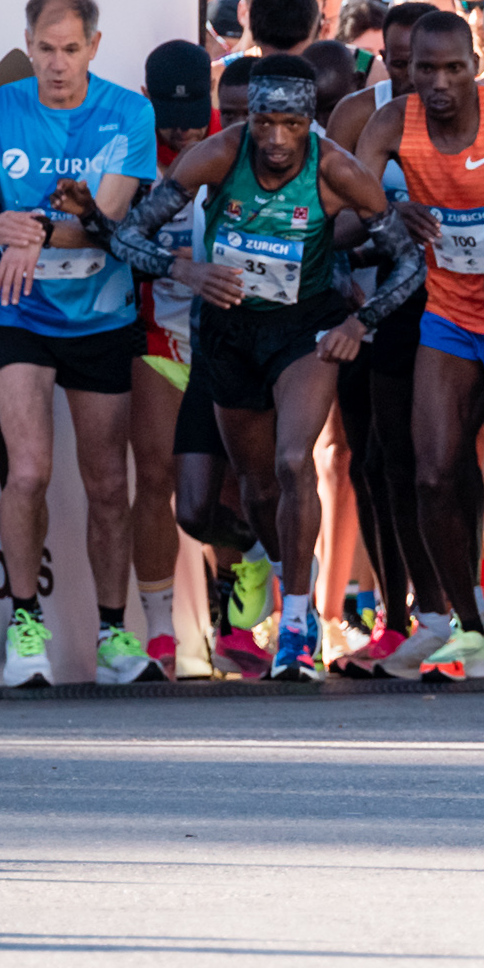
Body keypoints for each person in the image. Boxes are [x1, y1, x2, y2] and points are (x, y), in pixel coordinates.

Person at [0, 0, 163, 688]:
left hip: (101, 314)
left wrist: (31, 228)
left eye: (71, 49)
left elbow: (102, 218)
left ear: (94, 48)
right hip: (21, 314)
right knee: (30, 471)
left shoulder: (130, 113)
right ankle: (24, 622)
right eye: (45, 48)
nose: (57, 64)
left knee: (107, 482)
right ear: (28, 43)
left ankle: (111, 633)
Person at [162, 57, 389, 678]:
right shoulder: (217, 155)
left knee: (295, 461)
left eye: (292, 125)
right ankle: (287, 576)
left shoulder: (336, 167)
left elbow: (408, 259)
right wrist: (188, 269)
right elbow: (134, 233)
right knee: (257, 486)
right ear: (250, 121)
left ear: (310, 122)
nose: (278, 140)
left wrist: (357, 324)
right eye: (265, 123)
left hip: (304, 331)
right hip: (230, 335)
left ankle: (296, 623)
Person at [366, 0, 484, 682]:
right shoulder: (393, 119)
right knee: (431, 469)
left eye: (452, 69)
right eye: (425, 70)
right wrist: (389, 207)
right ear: (407, 71)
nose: (439, 83)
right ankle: (470, 627)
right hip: (449, 315)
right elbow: (352, 187)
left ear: (474, 68)